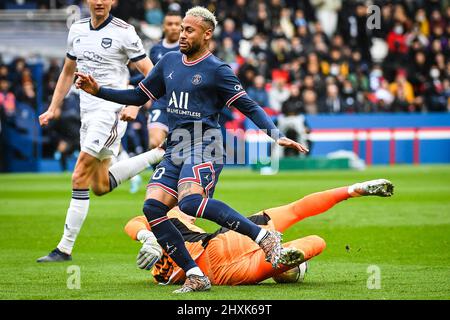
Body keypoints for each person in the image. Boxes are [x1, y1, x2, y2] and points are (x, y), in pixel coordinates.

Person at [75, 6, 308, 293]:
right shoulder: (170, 61)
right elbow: (138, 95)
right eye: (181, 29)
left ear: (207, 34)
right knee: (153, 208)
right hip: (176, 146)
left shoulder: (218, 70)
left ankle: (263, 237)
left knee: (189, 203)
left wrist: (276, 135)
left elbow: (248, 105)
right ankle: (196, 274)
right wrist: (98, 90)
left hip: (205, 143)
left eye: (189, 30)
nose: (181, 35)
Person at [37, 0, 164, 263]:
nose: (99, 2)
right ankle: (157, 155)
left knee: (79, 174)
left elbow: (151, 74)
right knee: (100, 185)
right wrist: (52, 108)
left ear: (113, 2)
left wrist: (135, 105)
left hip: (110, 112)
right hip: (87, 111)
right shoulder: (77, 29)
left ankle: (64, 248)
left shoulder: (124, 31)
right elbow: (67, 72)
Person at [124, 179, 394, 286]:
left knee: (313, 243)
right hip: (226, 243)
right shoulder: (170, 213)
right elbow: (135, 223)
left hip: (225, 274)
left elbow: (135, 224)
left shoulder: (165, 215)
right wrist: (147, 237)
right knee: (303, 222)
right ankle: (352, 190)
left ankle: (288, 263)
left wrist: (147, 239)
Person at [130, 11, 182, 150]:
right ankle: (161, 172)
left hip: (183, 105)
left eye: (177, 24)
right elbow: (152, 74)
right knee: (154, 144)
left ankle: (171, 170)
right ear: (164, 27)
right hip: (161, 103)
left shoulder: (187, 48)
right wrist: (130, 81)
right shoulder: (156, 49)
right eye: (170, 24)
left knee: (182, 152)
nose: (174, 27)